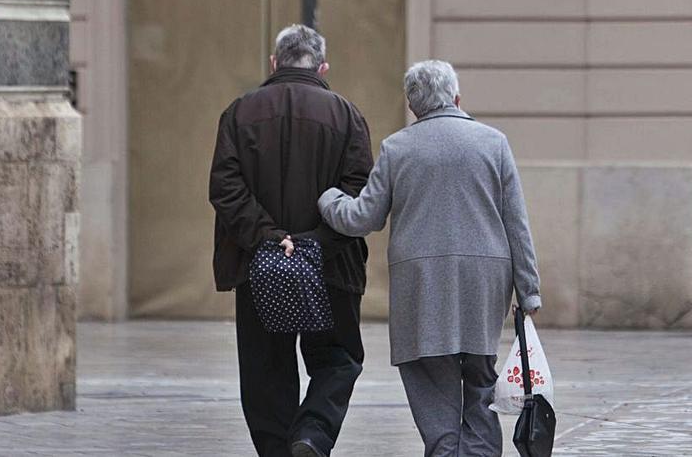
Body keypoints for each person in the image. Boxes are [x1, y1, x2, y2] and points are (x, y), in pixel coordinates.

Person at [317, 59, 542, 457]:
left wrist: (329, 198)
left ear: (413, 105)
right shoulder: (494, 142)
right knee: (481, 377)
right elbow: (516, 224)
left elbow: (362, 218)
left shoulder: (397, 148)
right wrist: (529, 291)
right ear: (456, 97)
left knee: (430, 376)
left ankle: (444, 450)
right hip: (483, 278)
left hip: (421, 284)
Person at [209, 24, 373, 457]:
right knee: (337, 358)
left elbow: (225, 188)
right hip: (330, 265)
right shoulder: (347, 115)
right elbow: (358, 191)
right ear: (322, 67)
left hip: (256, 265)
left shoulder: (240, 112)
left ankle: (280, 451)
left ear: (274, 63)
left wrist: (268, 238)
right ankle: (312, 435)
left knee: (266, 370)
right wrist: (315, 244)